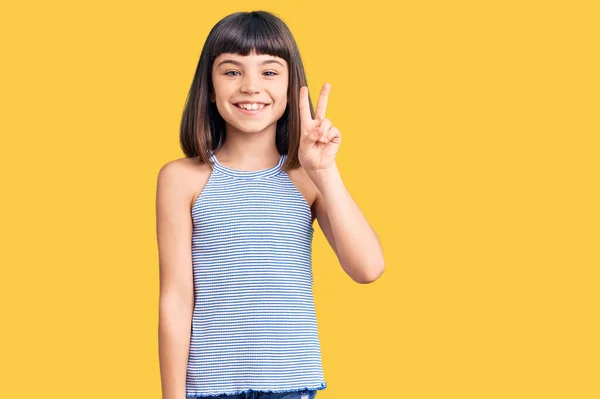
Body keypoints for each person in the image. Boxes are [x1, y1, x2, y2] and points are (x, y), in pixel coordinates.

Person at [156, 10, 385, 399]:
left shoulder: (307, 177)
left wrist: (324, 172)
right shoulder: (182, 179)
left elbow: (368, 268)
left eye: (269, 71)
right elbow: (176, 299)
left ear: (293, 85)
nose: (250, 86)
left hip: (291, 385)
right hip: (207, 389)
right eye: (231, 71)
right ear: (209, 88)